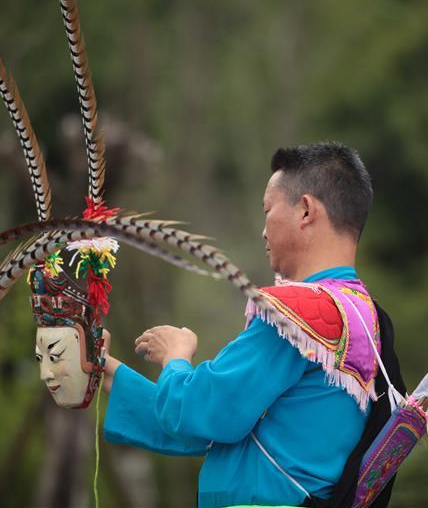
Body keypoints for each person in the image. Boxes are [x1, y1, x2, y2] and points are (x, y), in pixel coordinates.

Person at [101, 142, 405, 507]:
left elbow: (202, 413)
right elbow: (220, 428)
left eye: (268, 210)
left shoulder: (300, 312)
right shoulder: (366, 316)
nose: (263, 231)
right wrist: (105, 371)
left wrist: (175, 356)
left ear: (305, 210)